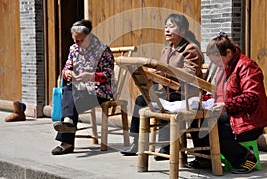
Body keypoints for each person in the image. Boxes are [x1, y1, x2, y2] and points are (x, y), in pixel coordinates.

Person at [120, 13, 204, 160]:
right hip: (168, 89)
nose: (167, 30)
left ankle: (167, 146)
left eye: (171, 27)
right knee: (141, 100)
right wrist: (153, 74)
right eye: (166, 27)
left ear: (183, 31)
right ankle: (136, 143)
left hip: (185, 94)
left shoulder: (191, 49)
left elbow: (189, 74)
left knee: (166, 100)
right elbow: (162, 69)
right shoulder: (167, 48)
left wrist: (162, 73)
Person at [190, 31, 267, 173]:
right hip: (232, 116)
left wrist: (226, 105)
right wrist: (199, 100)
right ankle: (205, 157)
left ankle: (245, 158)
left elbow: (252, 96)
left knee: (213, 123)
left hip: (249, 121)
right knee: (195, 117)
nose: (215, 64)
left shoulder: (247, 66)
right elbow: (218, 95)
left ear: (228, 52)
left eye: (217, 60)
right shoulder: (225, 68)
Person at [51, 19, 114, 155]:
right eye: (75, 40)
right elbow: (67, 68)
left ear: (89, 37)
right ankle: (68, 122)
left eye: (80, 40)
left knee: (70, 98)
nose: (77, 44)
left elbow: (108, 75)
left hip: (98, 92)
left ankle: (66, 140)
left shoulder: (102, 49)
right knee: (69, 89)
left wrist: (91, 76)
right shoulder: (74, 49)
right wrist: (67, 73)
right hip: (78, 90)